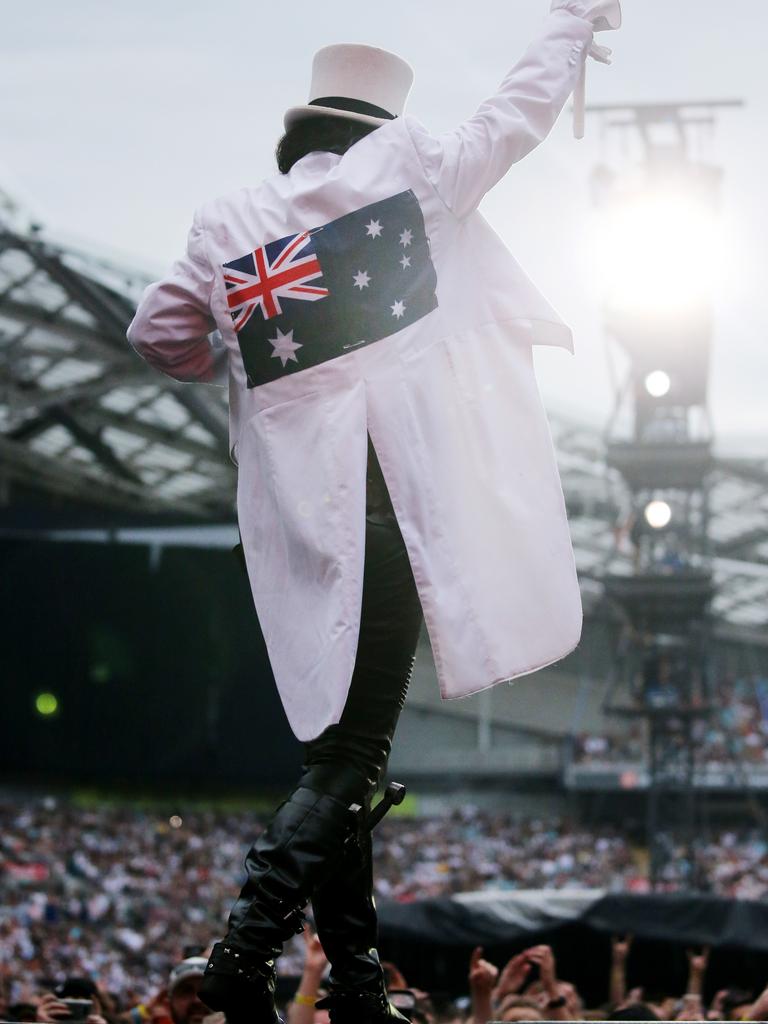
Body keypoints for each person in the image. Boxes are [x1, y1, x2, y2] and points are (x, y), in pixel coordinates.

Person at [126, 2, 621, 1021]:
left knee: (338, 760)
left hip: (293, 535)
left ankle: (354, 983)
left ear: (299, 134)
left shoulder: (229, 222)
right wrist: (575, 20)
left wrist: (242, 332)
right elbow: (515, 116)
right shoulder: (417, 174)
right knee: (353, 760)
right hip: (388, 521)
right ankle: (240, 954)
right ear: (374, 127)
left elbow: (157, 334)